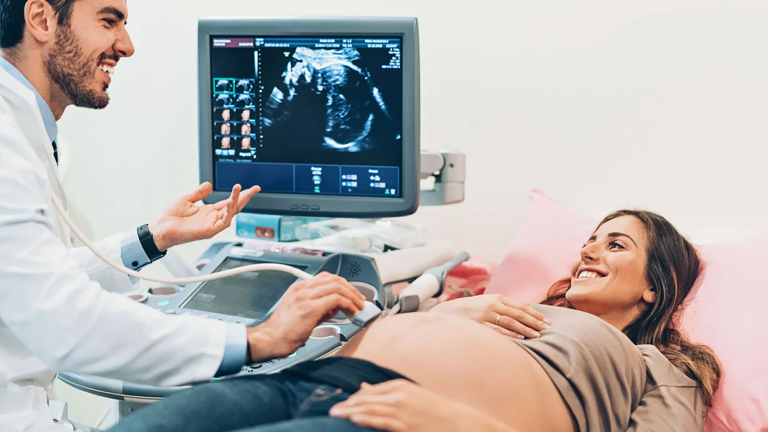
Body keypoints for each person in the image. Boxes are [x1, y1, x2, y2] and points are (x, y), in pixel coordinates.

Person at [0, 0, 365, 430]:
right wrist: (256, 340)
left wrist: (154, 238)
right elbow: (64, 320)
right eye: (108, 21)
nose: (127, 45)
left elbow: (29, 284)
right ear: (41, 19)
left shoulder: (24, 130)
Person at [111, 210, 721, 432]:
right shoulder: (505, 306)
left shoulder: (661, 366)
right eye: (589, 241)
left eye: (615, 246)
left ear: (653, 288)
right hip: (308, 384)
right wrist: (459, 307)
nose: (588, 252)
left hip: (408, 421)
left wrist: (464, 425)